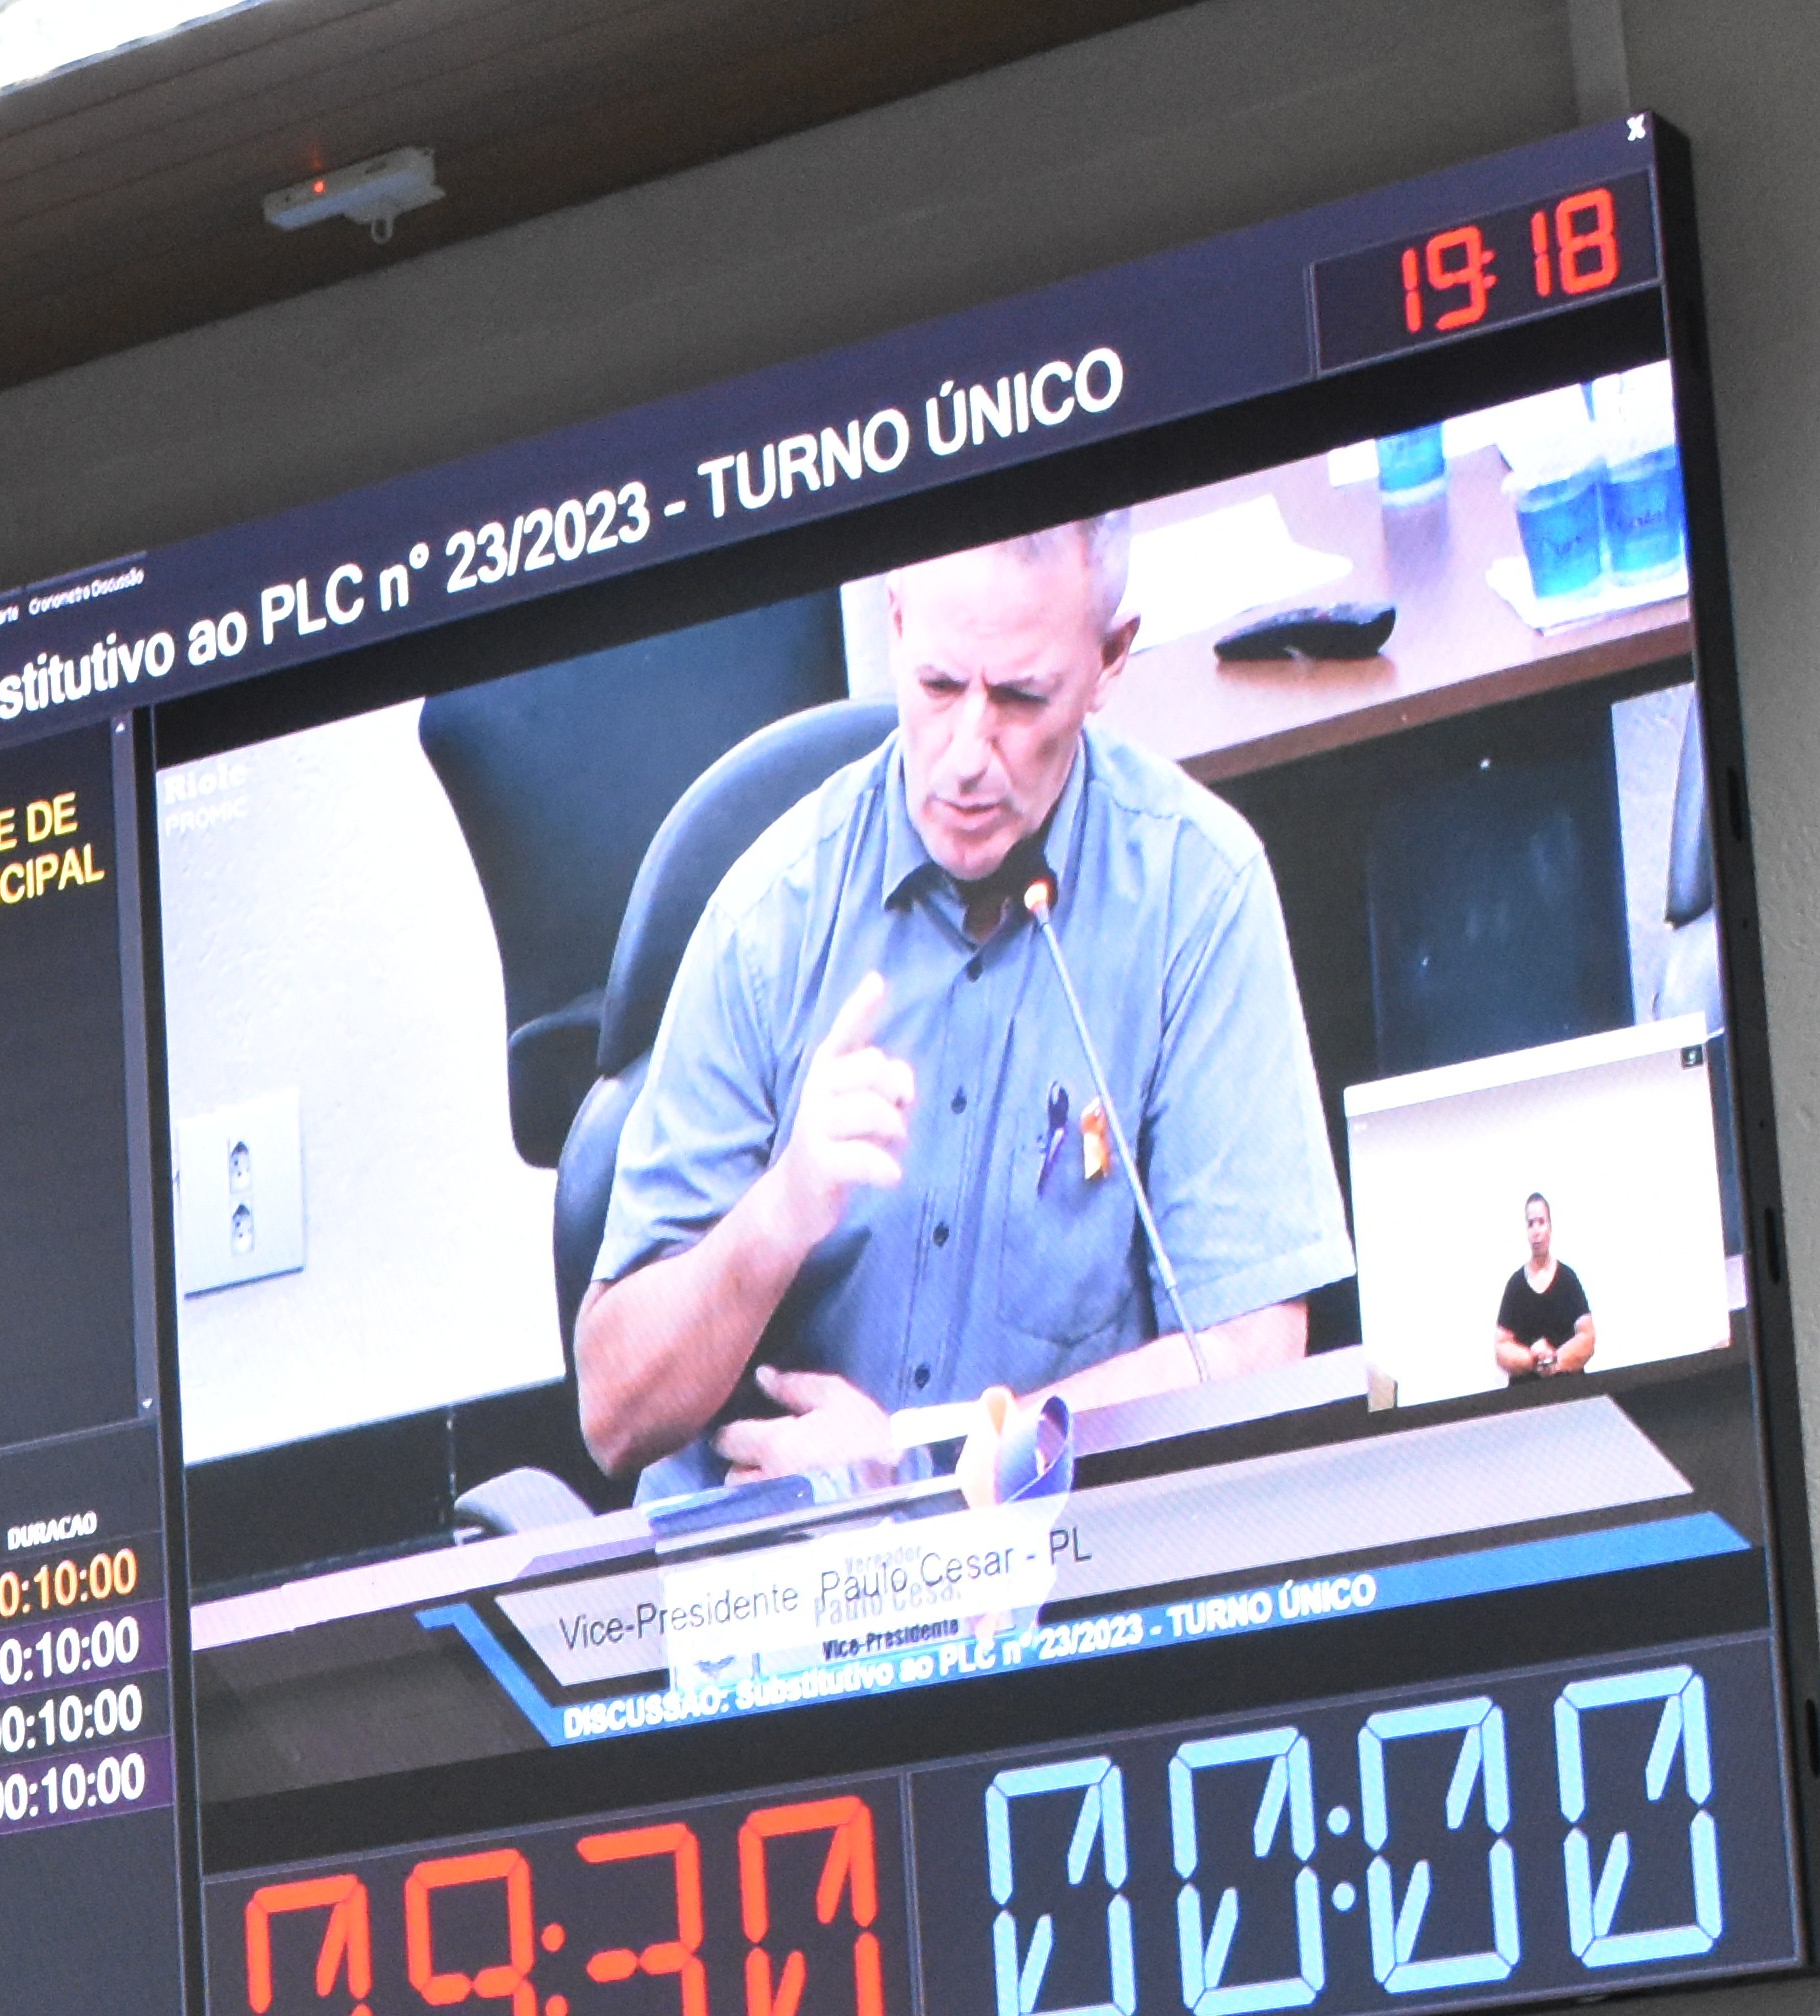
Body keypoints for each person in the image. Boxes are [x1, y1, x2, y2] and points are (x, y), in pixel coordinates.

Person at [576, 517, 1355, 1494]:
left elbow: (1248, 1353)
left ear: (1111, 658)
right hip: (771, 1551)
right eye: (940, 686)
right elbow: (613, 1417)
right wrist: (778, 1214)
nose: (966, 757)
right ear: (897, 622)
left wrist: (934, 1476)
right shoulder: (767, 918)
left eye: (1021, 697)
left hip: (1046, 1540)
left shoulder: (1195, 892)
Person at [1491, 1192, 1602, 1375]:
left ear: (1550, 1227)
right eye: (1530, 1224)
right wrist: (1533, 1360)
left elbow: (1587, 1337)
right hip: (1527, 1391)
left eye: (1541, 1222)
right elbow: (1501, 1348)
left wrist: (1555, 1360)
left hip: (1569, 1389)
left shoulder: (1568, 1280)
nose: (1536, 1231)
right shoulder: (1515, 1286)